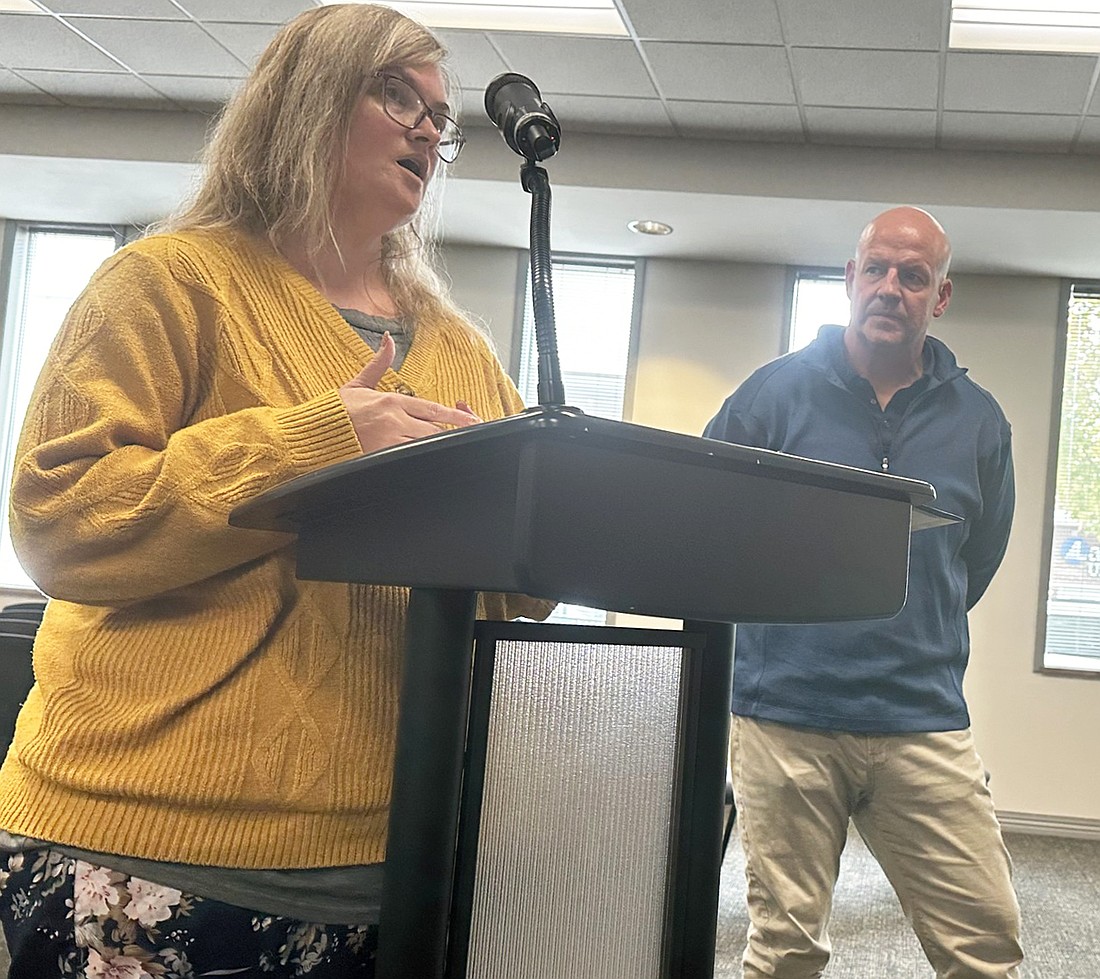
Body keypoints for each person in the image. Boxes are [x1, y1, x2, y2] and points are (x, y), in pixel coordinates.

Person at [0, 5, 548, 975]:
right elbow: (62, 519)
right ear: (305, 98)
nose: (428, 128)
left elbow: (507, 593)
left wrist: (554, 522)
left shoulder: (462, 350)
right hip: (147, 854)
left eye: (441, 117)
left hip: (396, 861)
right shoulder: (168, 282)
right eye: (396, 94)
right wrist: (319, 443)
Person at [704, 206, 1023, 979]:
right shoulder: (771, 396)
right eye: (876, 269)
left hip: (921, 718)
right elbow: (708, 525)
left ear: (939, 297)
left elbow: (973, 563)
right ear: (850, 280)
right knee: (783, 951)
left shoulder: (980, 422)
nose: (891, 288)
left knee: (986, 945)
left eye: (914, 276)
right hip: (786, 715)